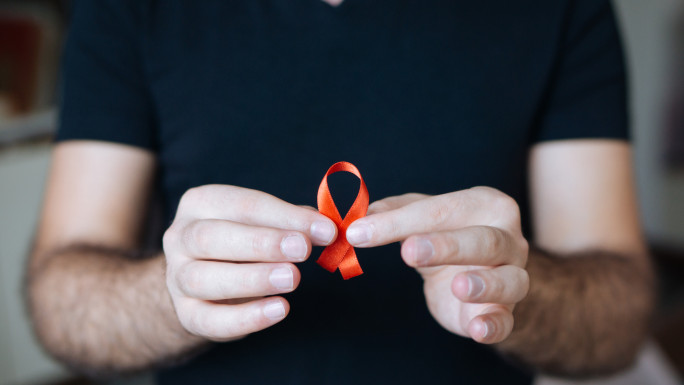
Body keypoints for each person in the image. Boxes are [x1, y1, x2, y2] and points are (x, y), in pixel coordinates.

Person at [26, 0, 655, 384]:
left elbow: (619, 319)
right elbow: (61, 298)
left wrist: (512, 287)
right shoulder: (127, 8)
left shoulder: (559, 8)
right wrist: (172, 295)